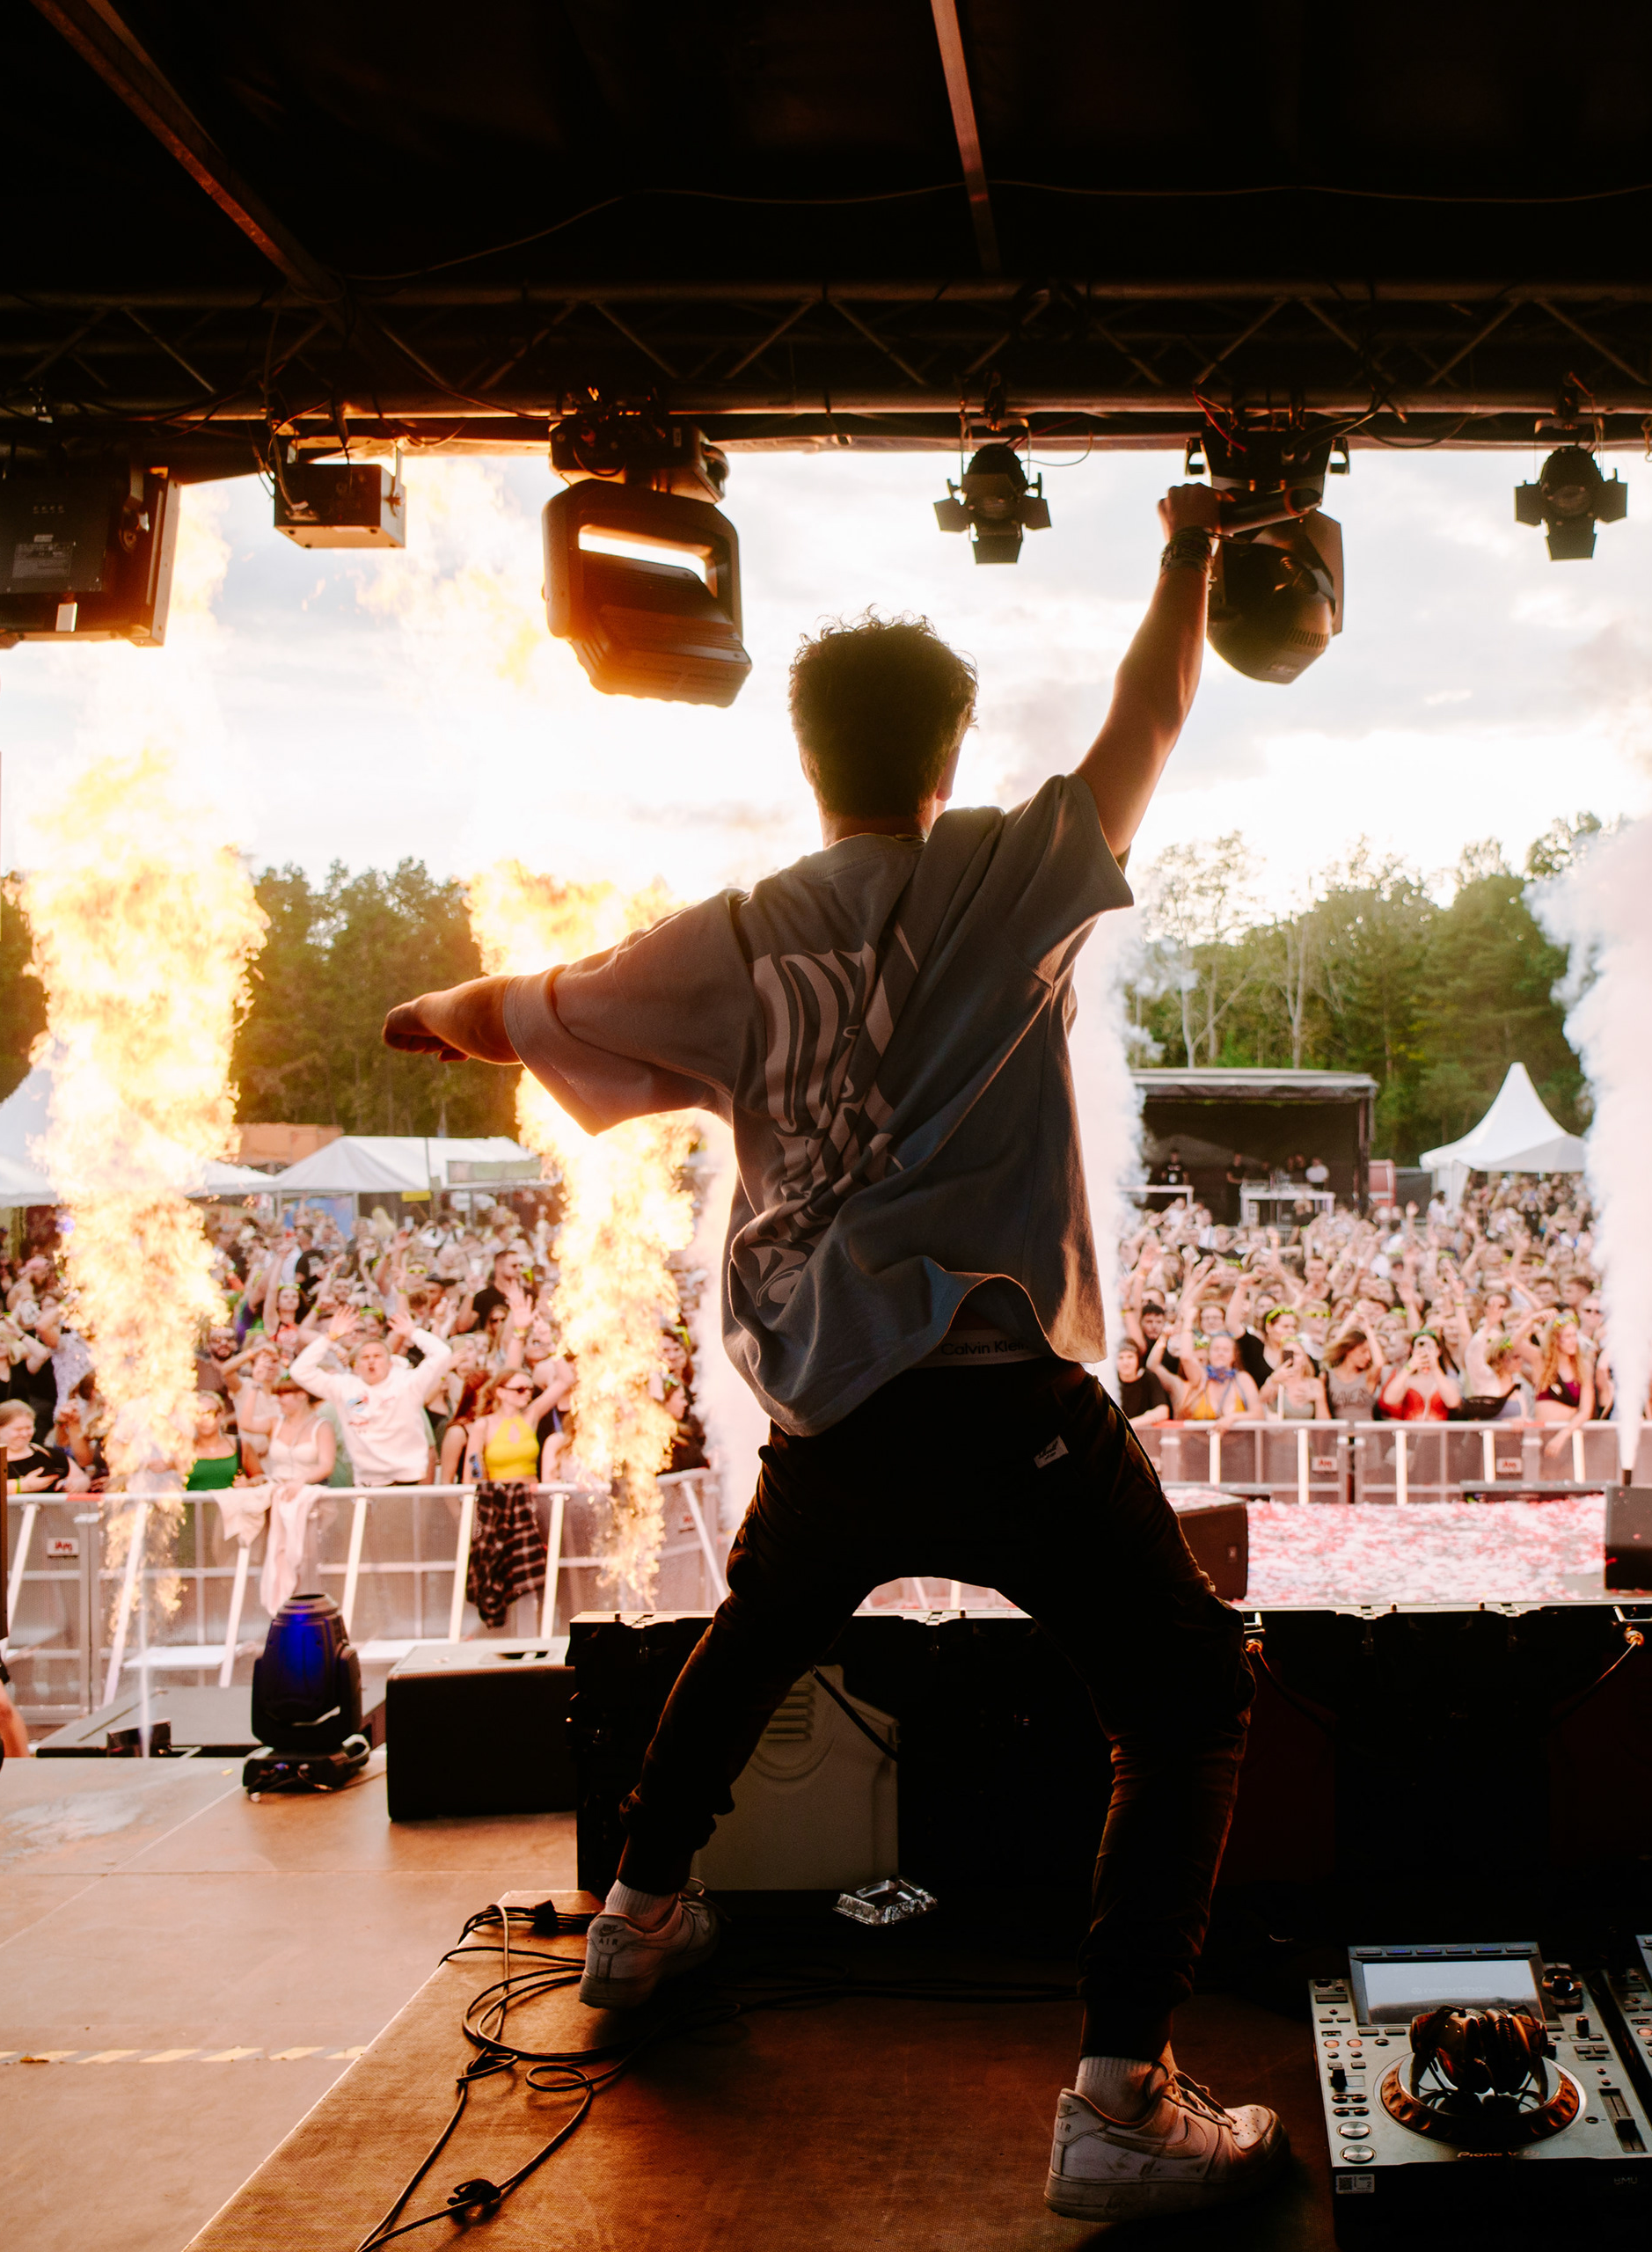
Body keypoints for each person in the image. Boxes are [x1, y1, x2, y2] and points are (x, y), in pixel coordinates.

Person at [378, 492, 1284, 2221]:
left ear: (806, 758)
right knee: (1185, 1703)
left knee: (752, 1644)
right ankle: (1117, 2097)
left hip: (833, 1412)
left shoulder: (728, 935)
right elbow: (1153, 712)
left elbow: (528, 1002)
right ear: (948, 752)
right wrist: (1182, 548)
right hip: (1008, 1405)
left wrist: (435, 1012)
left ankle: (637, 1921)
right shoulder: (1016, 870)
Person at [289, 1310, 453, 1488]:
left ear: (390, 1364)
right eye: (365, 1357)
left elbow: (443, 1353)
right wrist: (329, 1338)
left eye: (377, 1356)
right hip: (367, 1482)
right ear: (356, 1366)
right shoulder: (344, 1387)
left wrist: (413, 1332)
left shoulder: (408, 1382)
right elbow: (299, 1371)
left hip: (408, 1478)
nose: (371, 1362)